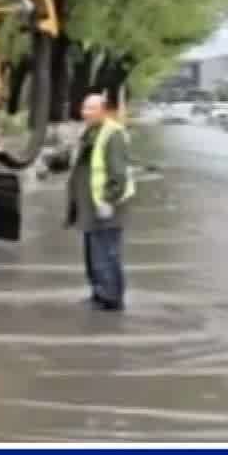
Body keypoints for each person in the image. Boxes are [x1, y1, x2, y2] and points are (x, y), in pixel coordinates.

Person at [66, 92, 134, 311]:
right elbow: (79, 160)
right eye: (84, 108)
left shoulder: (112, 135)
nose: (84, 112)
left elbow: (118, 174)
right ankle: (98, 293)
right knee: (94, 255)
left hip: (106, 207)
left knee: (106, 254)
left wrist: (108, 200)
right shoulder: (90, 131)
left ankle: (112, 299)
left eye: (90, 109)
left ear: (103, 110)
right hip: (90, 207)